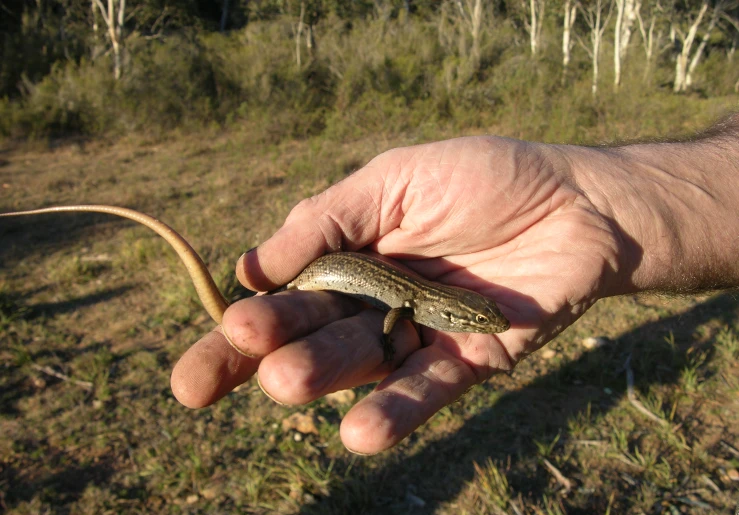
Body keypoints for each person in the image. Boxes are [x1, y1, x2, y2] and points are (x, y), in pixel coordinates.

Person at [171, 113, 739, 456]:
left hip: (347, 281)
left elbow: (422, 305)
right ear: (459, 315)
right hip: (318, 278)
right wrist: (390, 339)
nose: (486, 319)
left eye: (482, 316)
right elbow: (396, 311)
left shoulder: (426, 300)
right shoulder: (412, 306)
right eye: (479, 318)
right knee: (256, 320)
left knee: (264, 329)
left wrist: (594, 202)